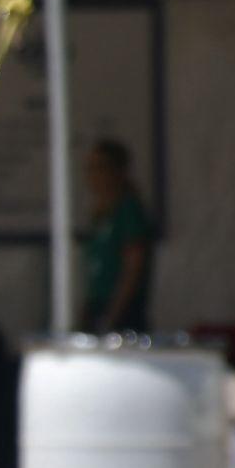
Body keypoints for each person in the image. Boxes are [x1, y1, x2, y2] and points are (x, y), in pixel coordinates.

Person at [82, 138, 153, 334]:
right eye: (90, 168)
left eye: (101, 167)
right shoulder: (101, 215)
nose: (94, 175)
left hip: (121, 311)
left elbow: (134, 267)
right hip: (98, 305)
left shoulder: (128, 211)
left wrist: (112, 316)